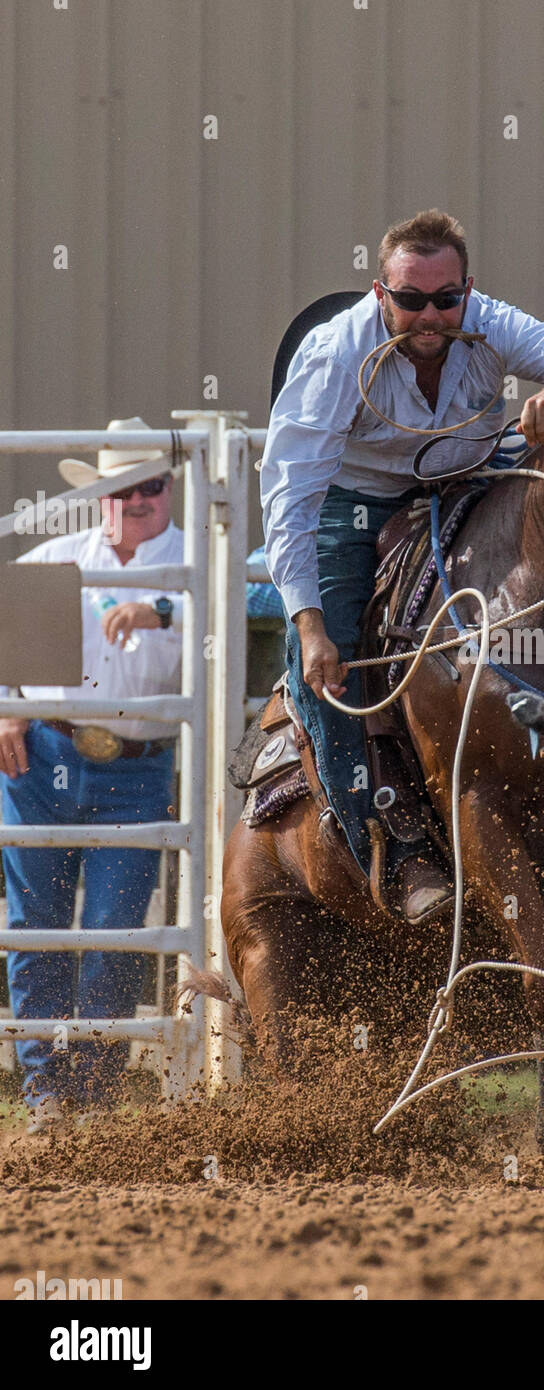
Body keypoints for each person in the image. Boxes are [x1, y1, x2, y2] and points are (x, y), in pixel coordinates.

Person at [260, 208, 544, 924]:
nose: (430, 314)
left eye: (445, 298)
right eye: (411, 299)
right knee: (334, 668)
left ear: (467, 290)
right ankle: (389, 835)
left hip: (471, 481)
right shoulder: (335, 352)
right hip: (352, 501)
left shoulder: (489, 323)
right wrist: (308, 627)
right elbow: (291, 493)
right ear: (380, 292)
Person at [0, 418, 184, 1134]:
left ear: (167, 491)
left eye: (151, 486)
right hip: (44, 757)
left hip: (133, 772)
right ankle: (49, 1096)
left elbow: (238, 603)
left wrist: (163, 609)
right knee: (36, 929)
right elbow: (8, 642)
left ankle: (95, 1094)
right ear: (101, 494)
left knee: (114, 936)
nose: (137, 499)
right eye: (123, 487)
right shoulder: (56, 558)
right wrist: (7, 709)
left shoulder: (193, 561)